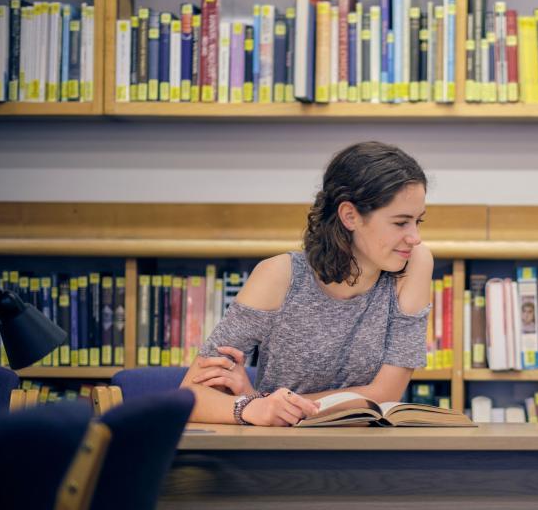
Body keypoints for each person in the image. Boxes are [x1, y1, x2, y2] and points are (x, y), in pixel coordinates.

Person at [180, 141, 433, 426]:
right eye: (401, 223)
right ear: (350, 216)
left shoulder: (416, 265)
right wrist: (251, 406)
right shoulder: (279, 277)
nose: (415, 237)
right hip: (283, 455)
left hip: (368, 453)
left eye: (418, 221)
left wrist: (270, 403)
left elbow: (384, 395)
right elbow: (190, 394)